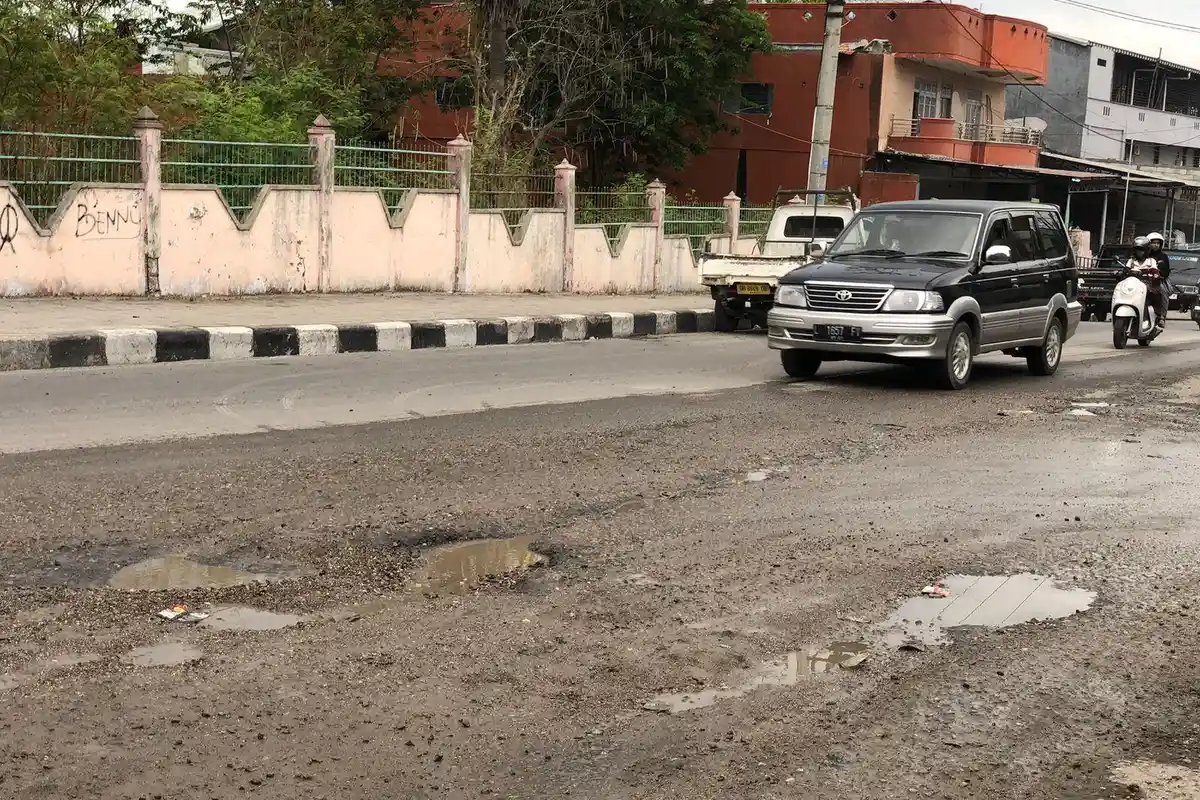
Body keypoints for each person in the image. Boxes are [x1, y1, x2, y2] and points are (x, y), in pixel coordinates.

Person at [1147, 232, 1171, 327]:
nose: (1156, 245)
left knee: (1163, 291)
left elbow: (1166, 272)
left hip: (1157, 280)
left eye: (1158, 243)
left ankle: (1162, 316)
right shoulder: (1143, 255)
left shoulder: (1163, 256)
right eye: (1153, 242)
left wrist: (1160, 275)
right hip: (1142, 279)